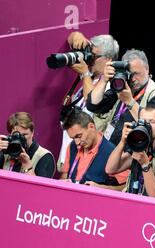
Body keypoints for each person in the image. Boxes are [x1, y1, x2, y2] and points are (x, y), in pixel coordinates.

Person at [57, 32, 119, 172]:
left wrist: (84, 73)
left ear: (108, 59)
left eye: (94, 57)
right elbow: (71, 37)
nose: (89, 60)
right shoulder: (90, 78)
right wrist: (77, 36)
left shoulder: (111, 86)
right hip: (70, 154)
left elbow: (92, 104)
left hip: (87, 160)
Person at [86, 49, 155, 146]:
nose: (133, 79)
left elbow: (151, 127)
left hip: (136, 155)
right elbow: (93, 105)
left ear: (147, 69)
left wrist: (129, 101)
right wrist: (104, 80)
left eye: (136, 73)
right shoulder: (122, 87)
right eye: (130, 74)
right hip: (110, 149)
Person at [105, 105, 155, 197]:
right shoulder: (138, 143)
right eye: (143, 122)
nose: (146, 126)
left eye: (151, 122)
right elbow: (110, 169)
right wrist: (122, 142)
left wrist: (145, 164)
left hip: (153, 208)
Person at [60, 110, 126, 190]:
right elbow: (64, 176)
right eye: (73, 138)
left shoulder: (113, 153)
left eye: (79, 136)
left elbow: (126, 189)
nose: (77, 142)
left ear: (91, 127)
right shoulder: (72, 146)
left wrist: (100, 188)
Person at [0, 112, 55, 178]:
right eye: (16, 135)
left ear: (32, 132)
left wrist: (27, 166)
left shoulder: (44, 156)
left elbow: (40, 188)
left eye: (24, 135)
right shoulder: (5, 152)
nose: (20, 139)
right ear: (10, 135)